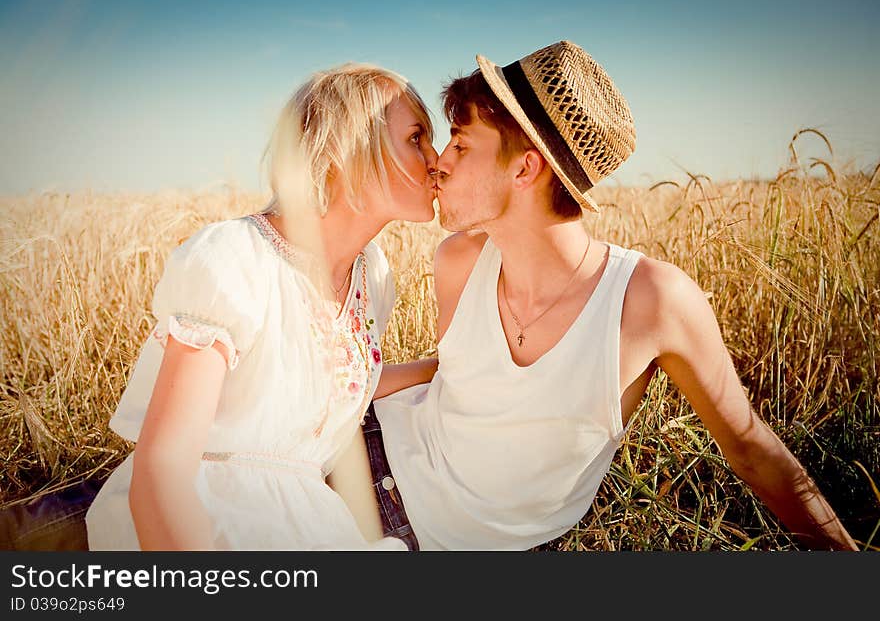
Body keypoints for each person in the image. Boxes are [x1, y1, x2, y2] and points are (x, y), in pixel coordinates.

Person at [361, 40, 858, 551]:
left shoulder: (650, 301)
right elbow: (453, 378)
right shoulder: (458, 263)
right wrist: (340, 389)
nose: (438, 163)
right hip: (370, 465)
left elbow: (751, 448)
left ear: (525, 169)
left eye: (461, 145)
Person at [22, 62, 440, 551]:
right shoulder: (235, 259)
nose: (437, 159)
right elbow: (162, 475)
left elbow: (330, 381)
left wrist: (440, 368)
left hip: (311, 527)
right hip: (205, 519)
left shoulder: (374, 276)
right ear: (344, 155)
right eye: (416, 138)